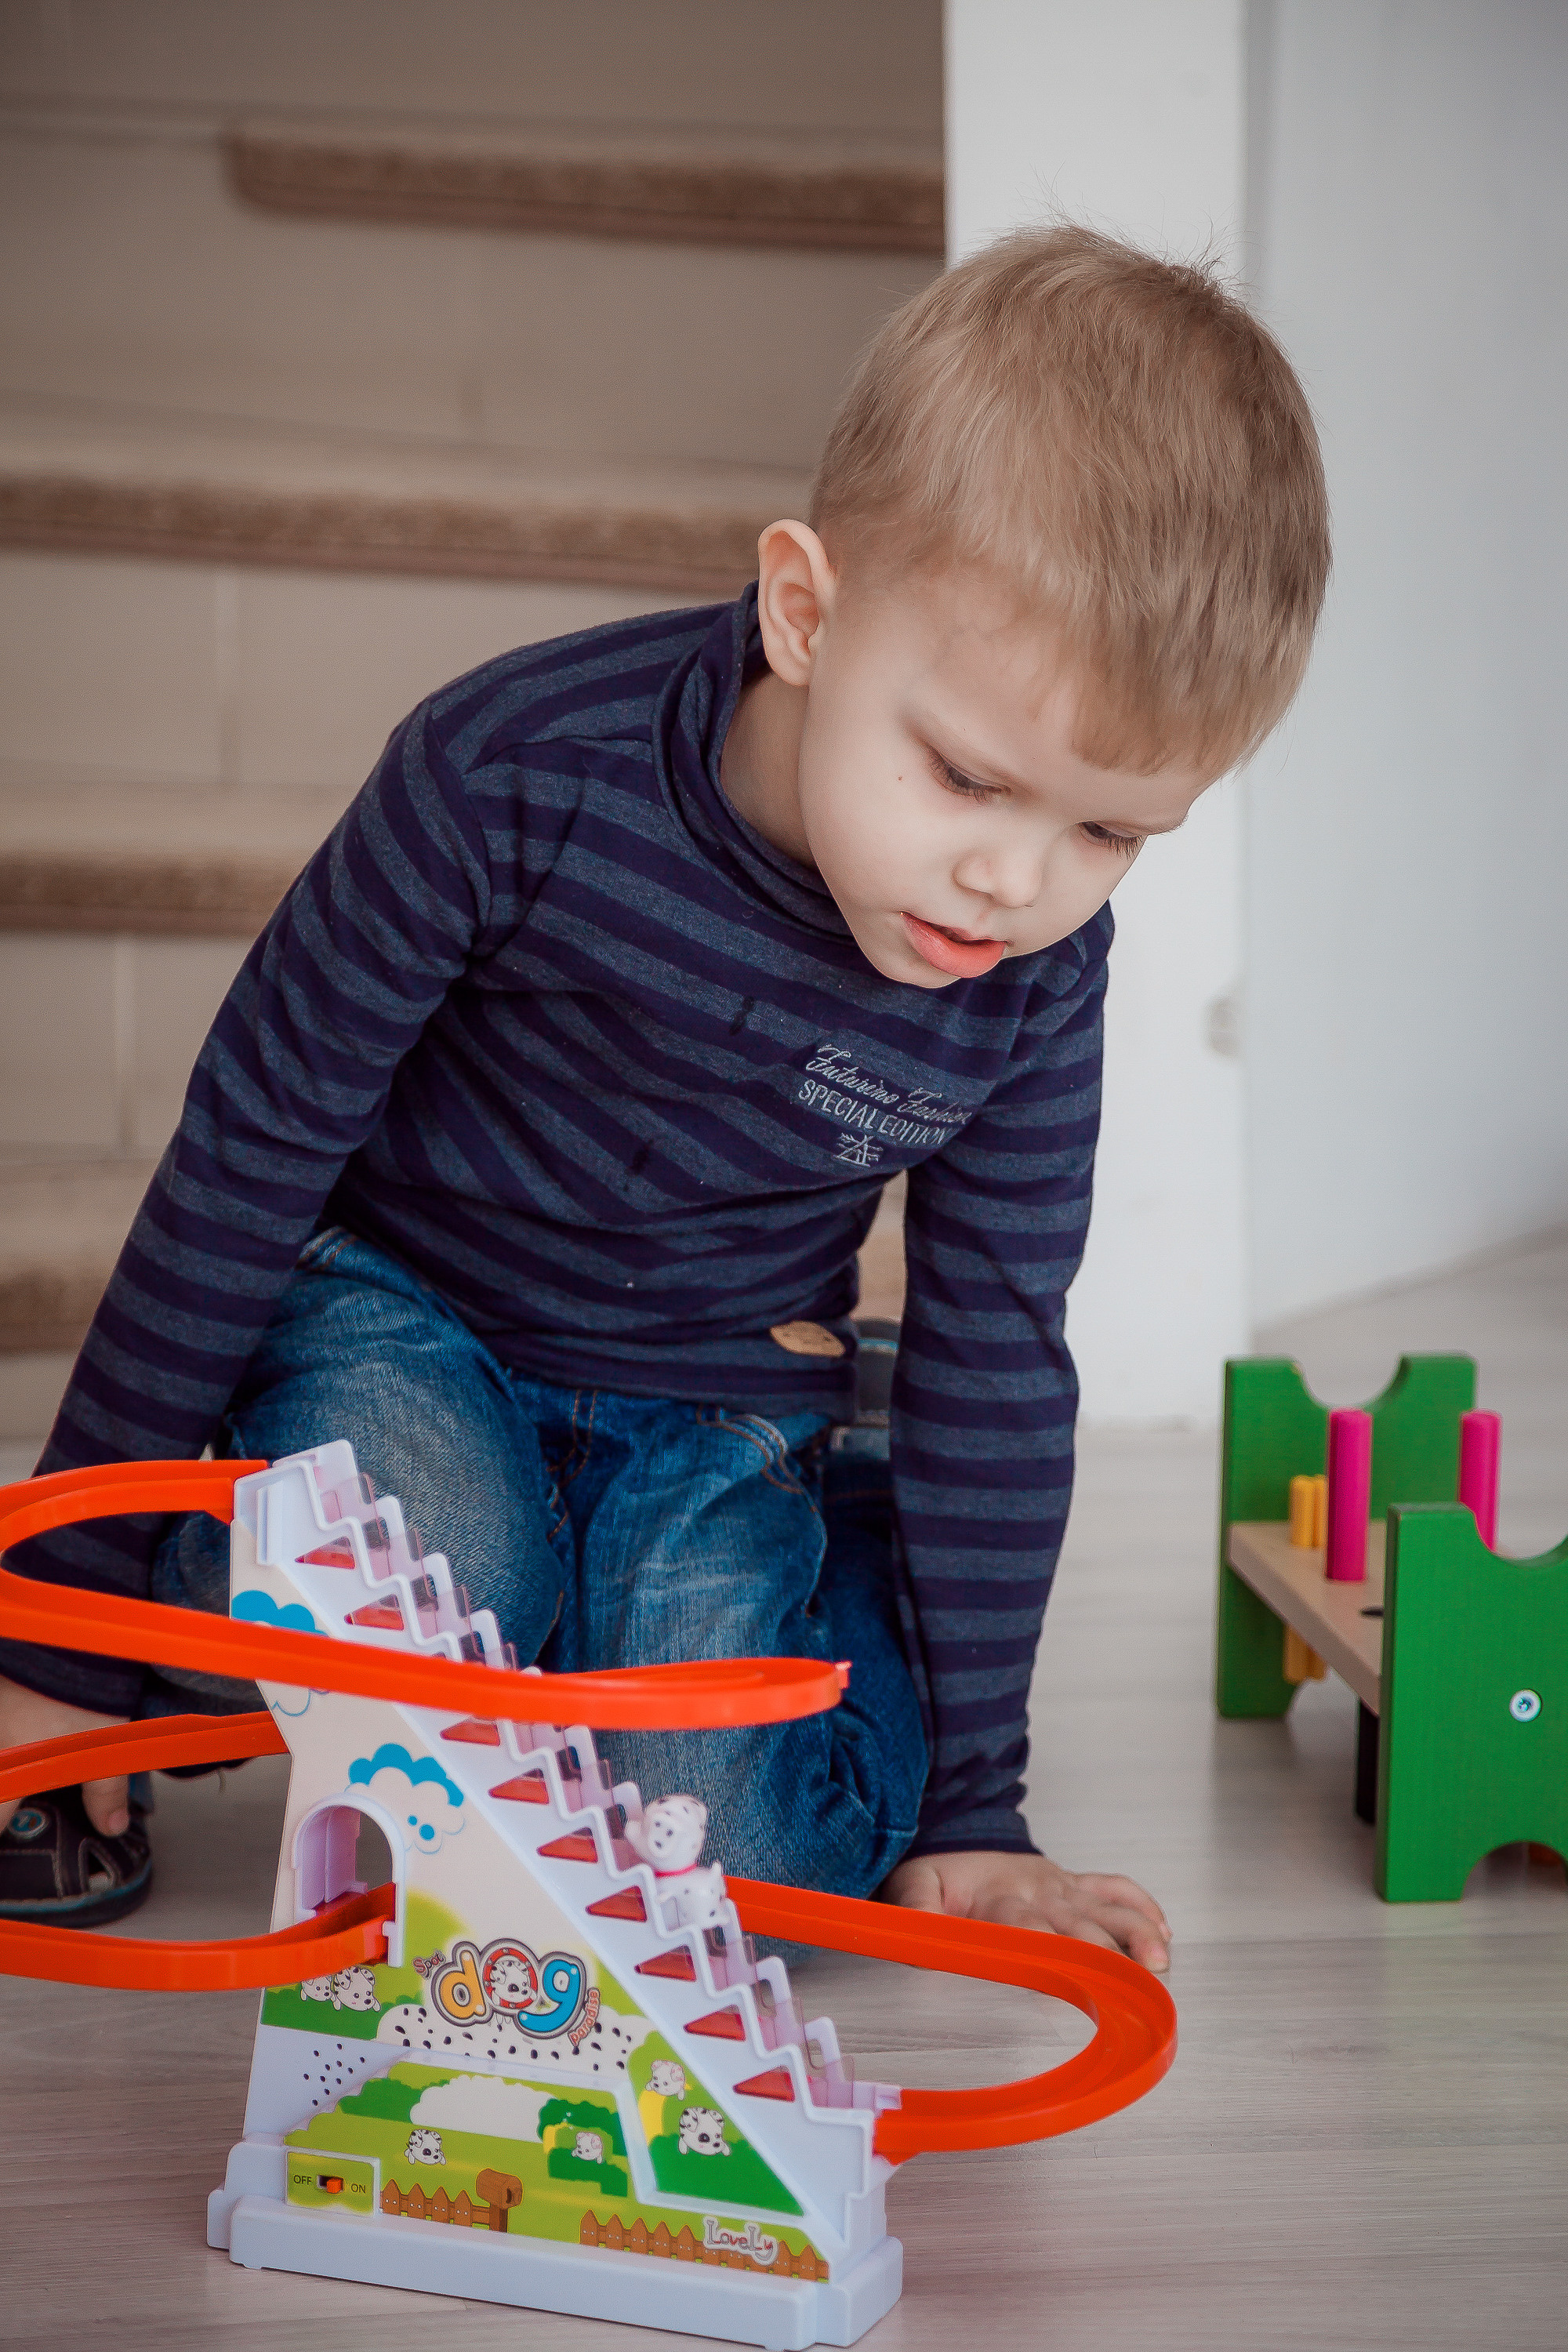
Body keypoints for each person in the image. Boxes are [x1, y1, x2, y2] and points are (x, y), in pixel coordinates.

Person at [0, 225, 1329, 1959]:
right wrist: (56, 1637)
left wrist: (974, 1805)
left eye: (1105, 831)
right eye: (969, 778)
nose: (1016, 880)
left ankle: (799, 1586)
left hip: (719, 1403)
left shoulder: (1032, 973)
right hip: (409, 1322)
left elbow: (1001, 1336)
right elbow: (254, 1147)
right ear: (804, 609)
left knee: (723, 1864)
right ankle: (287, 1597)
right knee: (435, 1601)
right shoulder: (503, 772)